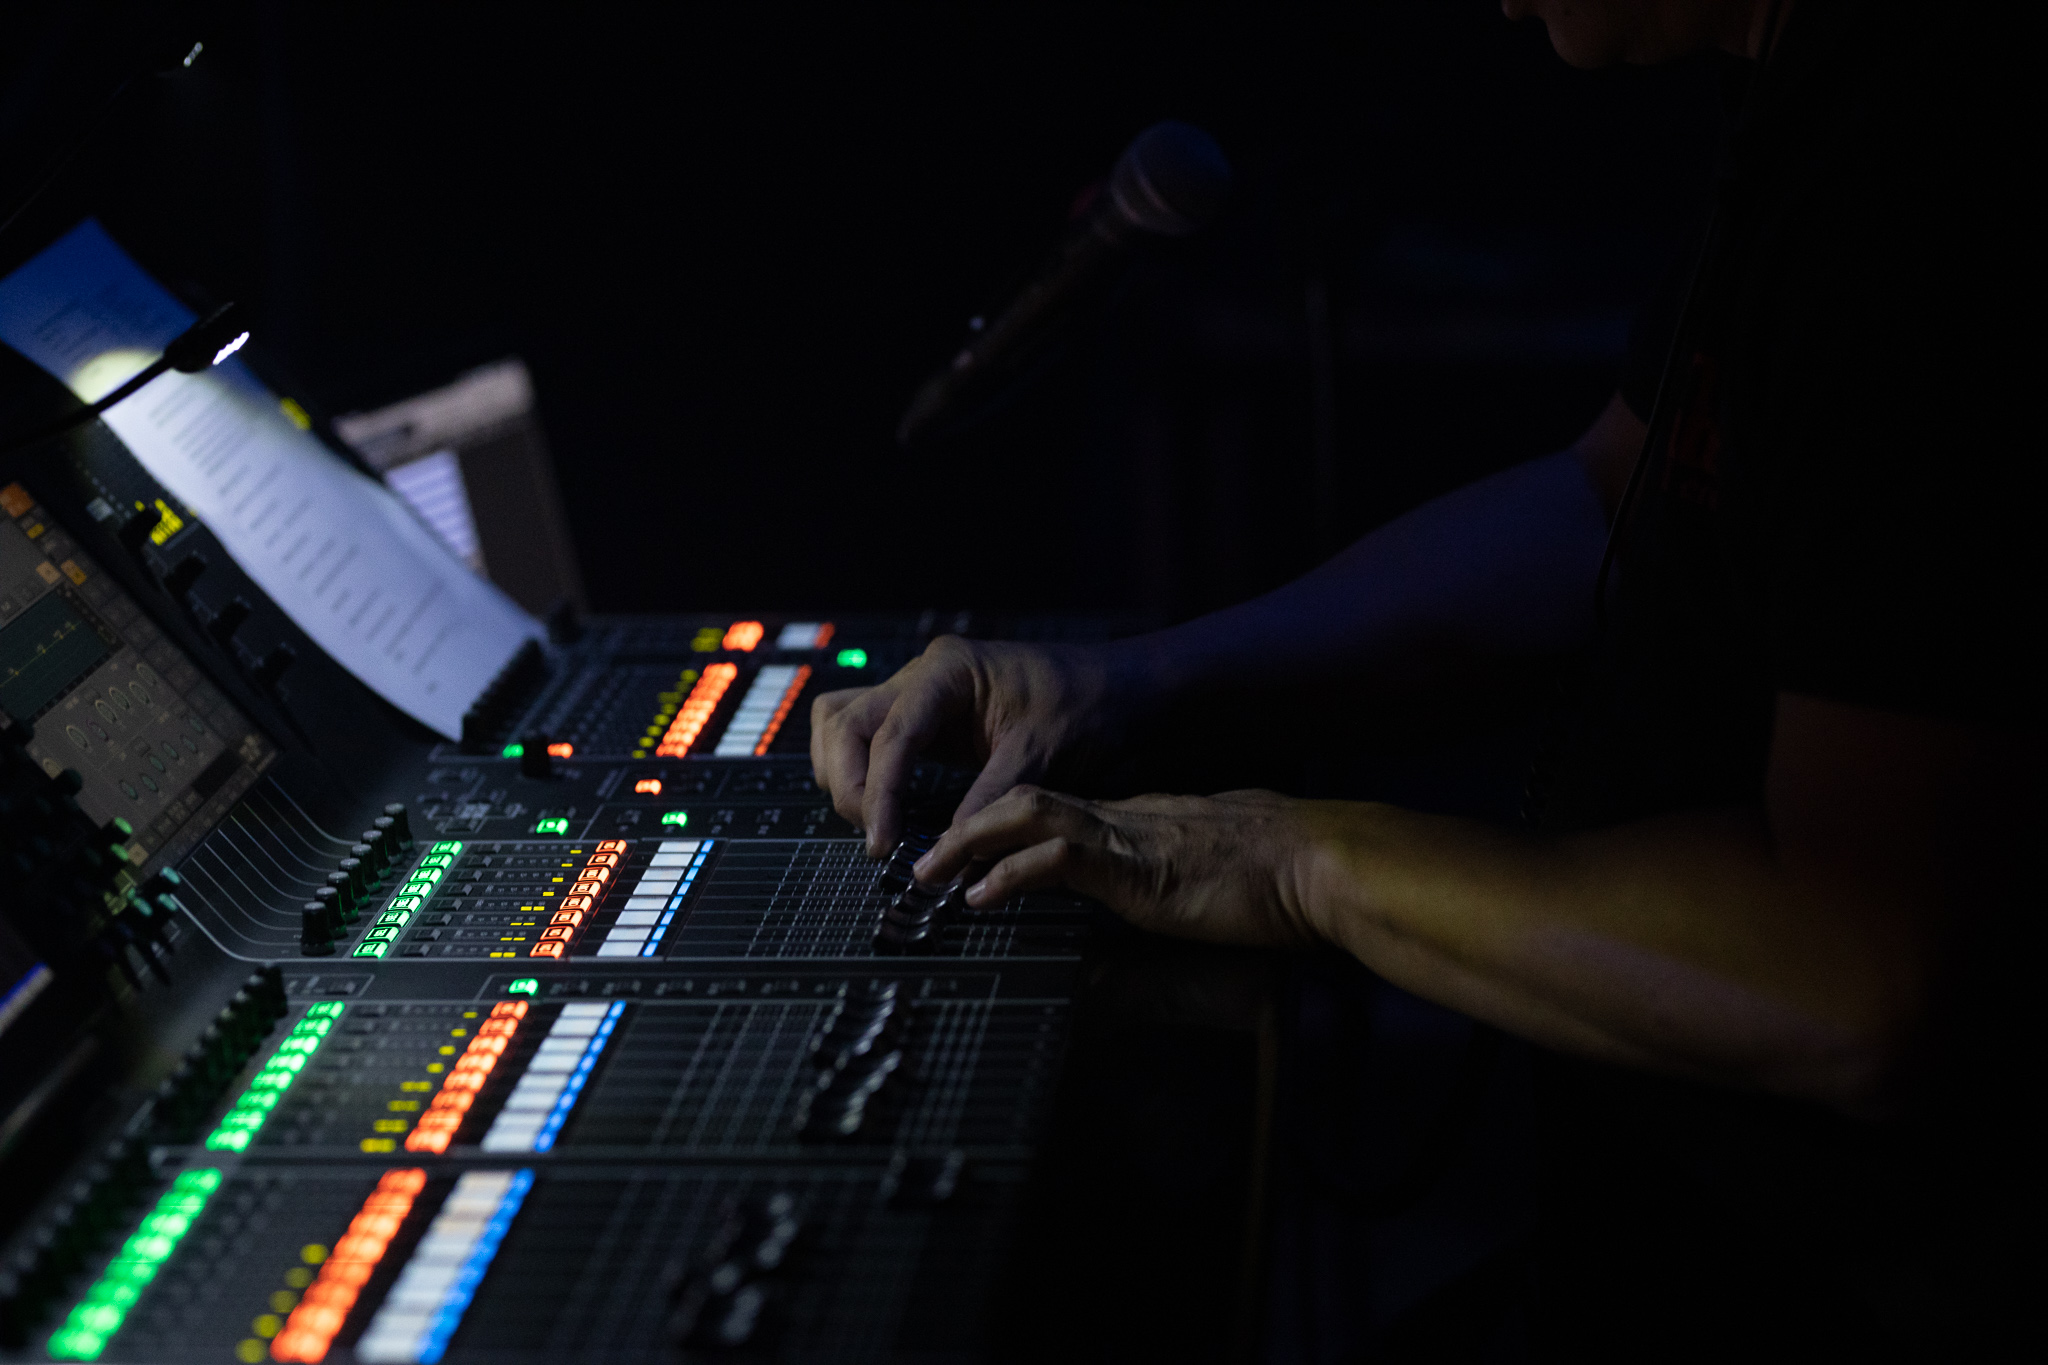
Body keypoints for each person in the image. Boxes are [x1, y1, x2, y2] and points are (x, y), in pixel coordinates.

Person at [815, 0, 2032, 1353]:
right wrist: (1128, 681)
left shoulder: (1939, 159)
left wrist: (1292, 860)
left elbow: (1856, 970)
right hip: (1676, 1238)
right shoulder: (1809, 99)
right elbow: (1610, 505)